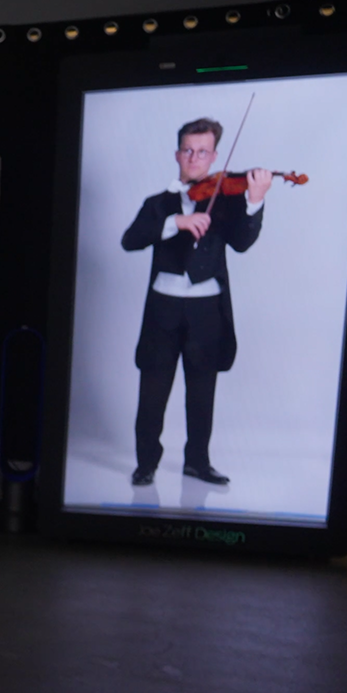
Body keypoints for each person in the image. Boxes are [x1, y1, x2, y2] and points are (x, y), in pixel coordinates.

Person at [120, 118, 273, 487]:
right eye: (188, 150)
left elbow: (241, 242)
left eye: (202, 151)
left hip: (207, 311)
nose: (194, 157)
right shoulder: (158, 204)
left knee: (202, 392)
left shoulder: (227, 202)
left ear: (214, 156)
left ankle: (198, 463)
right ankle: (146, 463)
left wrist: (255, 200)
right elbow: (131, 240)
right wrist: (177, 221)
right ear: (178, 154)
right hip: (163, 309)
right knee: (153, 391)